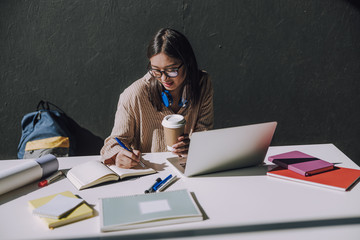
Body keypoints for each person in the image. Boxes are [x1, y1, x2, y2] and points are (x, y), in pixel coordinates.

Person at [101, 28, 214, 168]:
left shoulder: (202, 83)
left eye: (172, 70)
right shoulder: (134, 94)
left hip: (189, 170)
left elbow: (204, 134)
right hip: (151, 174)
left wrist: (194, 146)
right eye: (156, 70)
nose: (164, 78)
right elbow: (111, 144)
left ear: (187, 63)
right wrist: (119, 155)